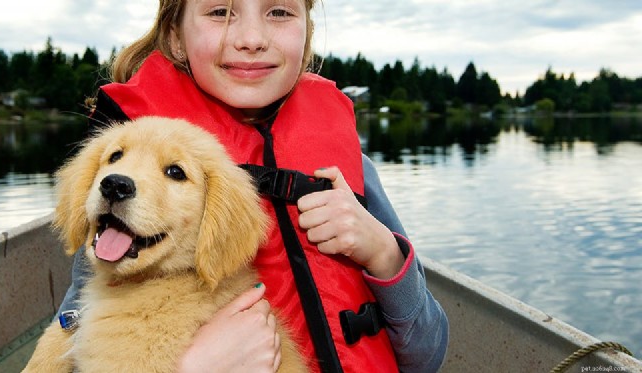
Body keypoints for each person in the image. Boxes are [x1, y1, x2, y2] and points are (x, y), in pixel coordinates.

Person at [57, 0, 449, 372]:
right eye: (221, 11)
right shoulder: (132, 174)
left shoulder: (347, 173)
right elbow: (72, 348)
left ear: (306, 32)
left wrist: (384, 254)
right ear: (176, 35)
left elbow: (426, 359)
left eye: (278, 11)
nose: (251, 38)